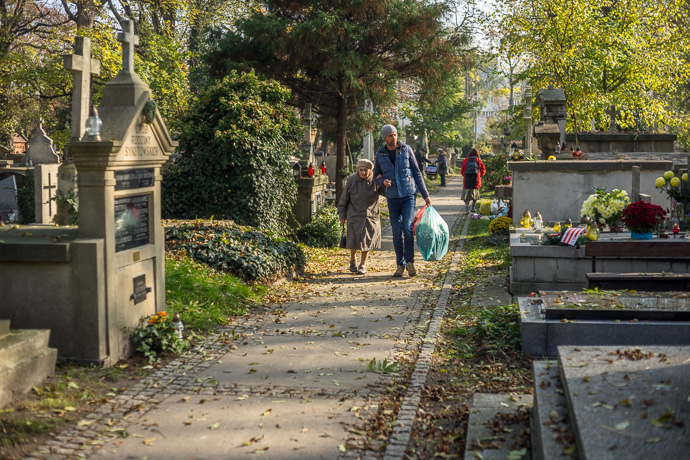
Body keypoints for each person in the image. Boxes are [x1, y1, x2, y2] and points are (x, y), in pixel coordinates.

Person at [374, 124, 431, 277]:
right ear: (385, 138)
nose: (394, 137)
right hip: (392, 197)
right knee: (396, 231)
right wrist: (382, 182)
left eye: (395, 134)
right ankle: (400, 264)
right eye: (390, 135)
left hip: (408, 195)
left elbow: (417, 173)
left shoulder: (406, 150)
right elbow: (376, 175)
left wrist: (425, 195)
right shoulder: (380, 154)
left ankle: (410, 263)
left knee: (406, 228)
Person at [337, 159, 384, 275]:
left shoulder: (376, 180)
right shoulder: (352, 179)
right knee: (353, 239)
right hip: (354, 214)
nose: (363, 172)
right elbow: (344, 198)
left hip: (370, 215)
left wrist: (385, 182)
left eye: (366, 170)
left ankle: (363, 264)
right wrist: (342, 213)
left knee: (366, 241)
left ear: (370, 170)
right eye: (361, 170)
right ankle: (353, 260)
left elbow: (385, 192)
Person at [461, 148, 486, 213]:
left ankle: (466, 209)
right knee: (475, 194)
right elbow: (483, 170)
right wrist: (480, 175)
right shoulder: (478, 160)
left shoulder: (466, 160)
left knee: (467, 194)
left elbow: (462, 171)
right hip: (476, 179)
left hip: (467, 179)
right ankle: (473, 208)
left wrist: (465, 175)